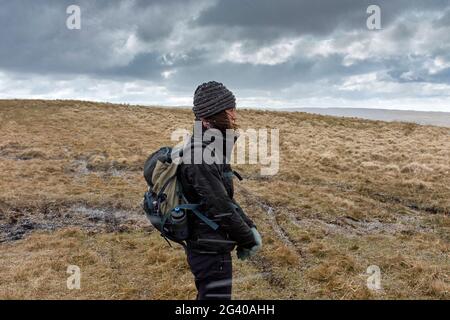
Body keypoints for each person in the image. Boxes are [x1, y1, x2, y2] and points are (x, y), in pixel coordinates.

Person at [177, 81, 262, 300]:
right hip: (208, 248)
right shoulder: (200, 155)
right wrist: (247, 239)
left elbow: (224, 197)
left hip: (213, 241)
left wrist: (249, 227)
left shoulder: (210, 148)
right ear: (210, 117)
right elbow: (221, 207)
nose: (234, 115)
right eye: (229, 110)